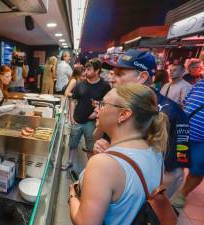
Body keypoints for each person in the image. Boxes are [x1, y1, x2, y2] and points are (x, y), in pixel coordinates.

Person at [94, 49, 190, 198]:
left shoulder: (172, 113)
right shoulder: (116, 104)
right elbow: (106, 141)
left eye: (120, 74)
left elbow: (175, 173)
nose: (112, 79)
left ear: (142, 77)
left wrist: (143, 202)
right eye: (113, 73)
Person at [69, 83, 168, 225]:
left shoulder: (104, 164)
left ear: (124, 114)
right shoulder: (155, 151)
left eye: (103, 104)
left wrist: (72, 193)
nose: (97, 109)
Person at [63, 58, 111, 170]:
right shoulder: (80, 84)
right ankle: (69, 162)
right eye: (85, 69)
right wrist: (71, 117)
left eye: (89, 70)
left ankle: (90, 167)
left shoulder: (105, 86)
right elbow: (74, 101)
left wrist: (97, 113)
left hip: (92, 123)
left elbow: (107, 103)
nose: (85, 72)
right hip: (77, 120)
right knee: (72, 144)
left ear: (97, 70)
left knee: (91, 147)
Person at [172, 78, 204, 208]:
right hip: (183, 132)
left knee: (197, 169)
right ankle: (169, 185)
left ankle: (183, 194)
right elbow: (186, 102)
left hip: (202, 141)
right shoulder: (201, 83)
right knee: (175, 161)